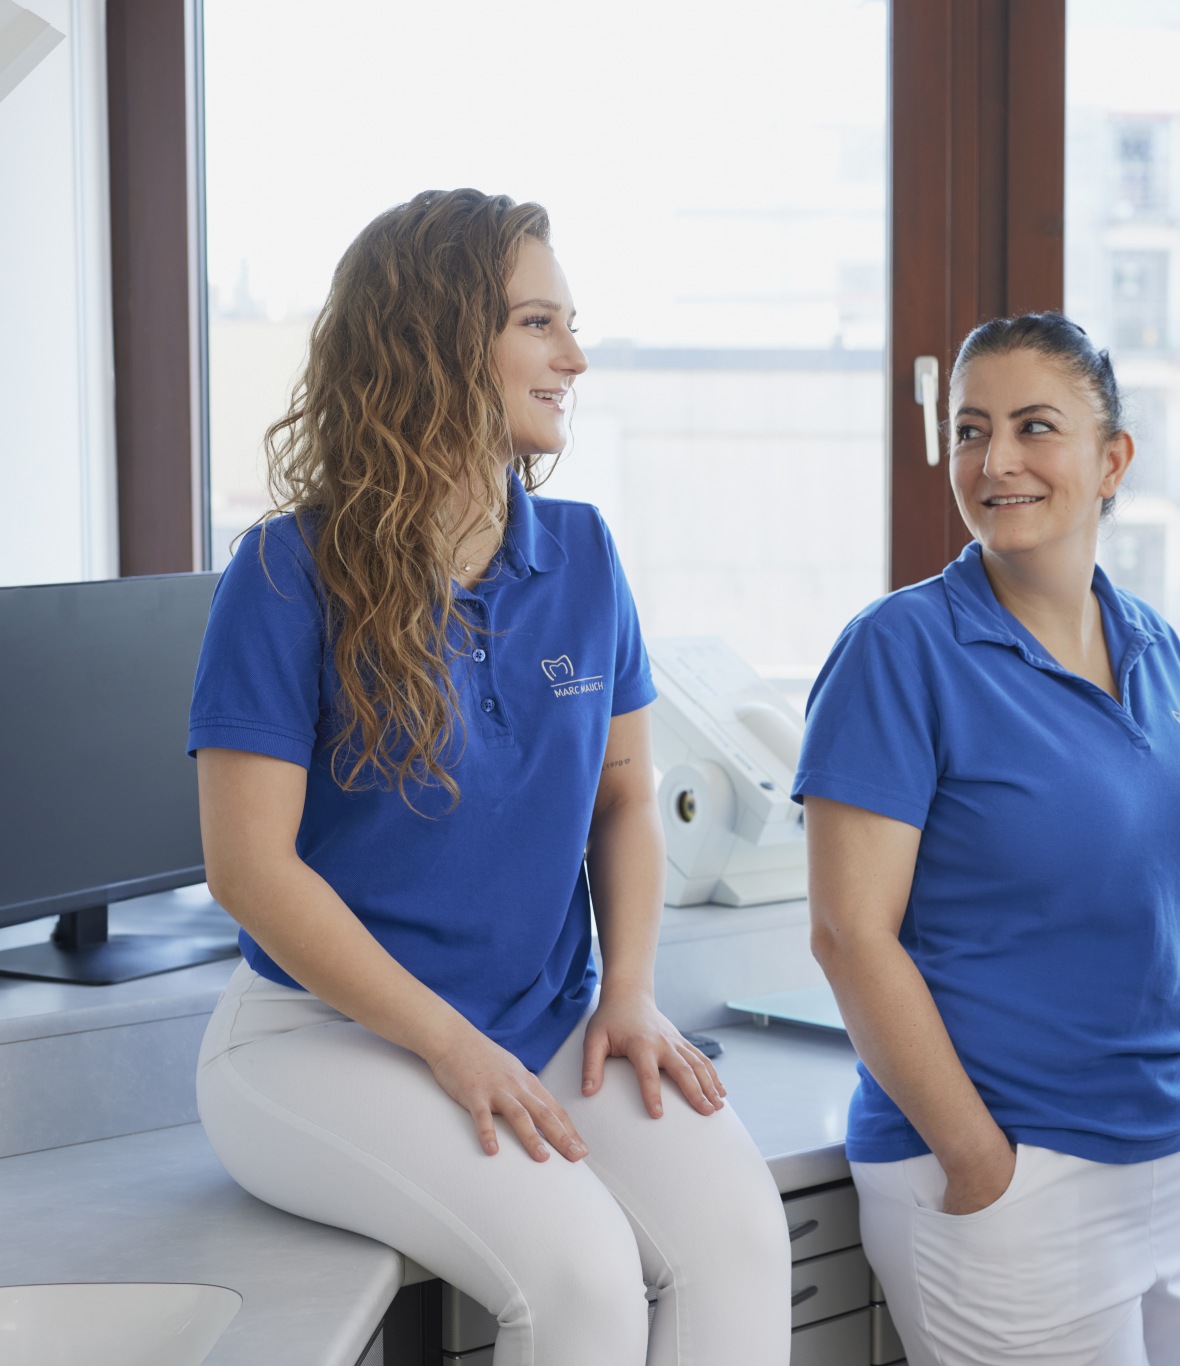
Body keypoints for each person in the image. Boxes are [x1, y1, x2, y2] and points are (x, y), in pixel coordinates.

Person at [188, 189, 790, 1366]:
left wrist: (630, 988)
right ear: (434, 340)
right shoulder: (282, 572)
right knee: (581, 1284)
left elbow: (625, 799)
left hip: (552, 1017)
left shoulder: (583, 555)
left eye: (569, 322)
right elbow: (249, 869)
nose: (573, 356)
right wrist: (450, 1046)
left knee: (738, 1241)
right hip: (322, 1036)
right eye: (536, 323)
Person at [796, 313, 1180, 1366]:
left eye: (1033, 427)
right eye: (968, 430)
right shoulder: (898, 651)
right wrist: (976, 1160)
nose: (993, 461)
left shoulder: (1151, 640)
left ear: (1111, 460)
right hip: (1015, 1176)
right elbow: (849, 935)